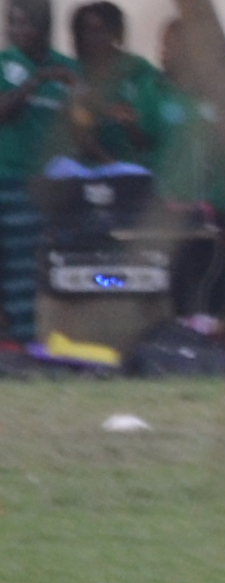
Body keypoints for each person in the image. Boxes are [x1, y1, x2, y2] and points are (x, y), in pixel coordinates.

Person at [0, 0, 49, 355]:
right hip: (7, 179)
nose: (14, 31)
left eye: (21, 23)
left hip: (43, 186)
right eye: (10, 23)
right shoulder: (5, 64)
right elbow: (5, 112)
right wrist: (35, 82)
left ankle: (31, 344)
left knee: (30, 268)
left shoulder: (66, 69)